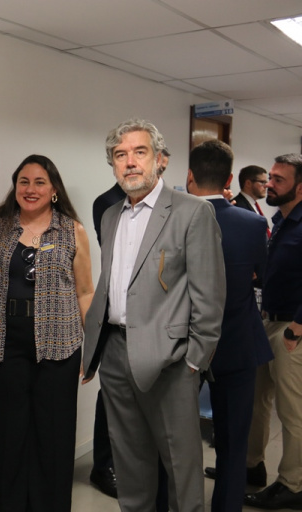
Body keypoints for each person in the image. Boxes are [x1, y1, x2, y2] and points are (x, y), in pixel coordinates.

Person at [82, 118, 226, 512]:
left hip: (171, 362)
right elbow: (113, 284)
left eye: (139, 152)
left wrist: (194, 361)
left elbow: (210, 297)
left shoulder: (192, 212)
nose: (129, 162)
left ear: (160, 160)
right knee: (130, 466)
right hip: (115, 355)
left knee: (181, 470)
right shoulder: (110, 215)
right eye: (120, 155)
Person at [0, 154, 94, 511]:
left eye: (39, 182)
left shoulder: (72, 230)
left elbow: (85, 292)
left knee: (54, 439)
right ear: (15, 186)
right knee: (8, 439)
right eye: (24, 182)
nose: (30, 189)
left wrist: (93, 347)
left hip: (60, 348)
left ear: (53, 189)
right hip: (5, 347)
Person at [185, 140, 273, 512]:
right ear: (230, 179)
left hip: (184, 345)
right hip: (237, 340)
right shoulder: (253, 223)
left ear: (190, 176)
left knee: (174, 437)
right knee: (234, 441)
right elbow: (262, 276)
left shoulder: (175, 220)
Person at [244, 154, 302, 510]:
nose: (270, 184)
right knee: (257, 400)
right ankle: (252, 466)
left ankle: (293, 484)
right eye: (270, 178)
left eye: (279, 179)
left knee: (292, 411)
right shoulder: (280, 220)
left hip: (292, 329)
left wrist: (296, 329)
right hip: (268, 321)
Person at [234, 165, 271, 238]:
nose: (266, 186)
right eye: (262, 182)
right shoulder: (237, 206)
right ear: (248, 183)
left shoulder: (253, 204)